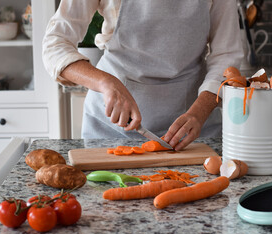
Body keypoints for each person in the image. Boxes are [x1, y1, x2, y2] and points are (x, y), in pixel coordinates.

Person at [42, 0, 243, 151]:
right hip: (111, 129)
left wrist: (199, 112)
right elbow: (55, 44)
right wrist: (106, 83)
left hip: (195, 130)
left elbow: (226, 55)